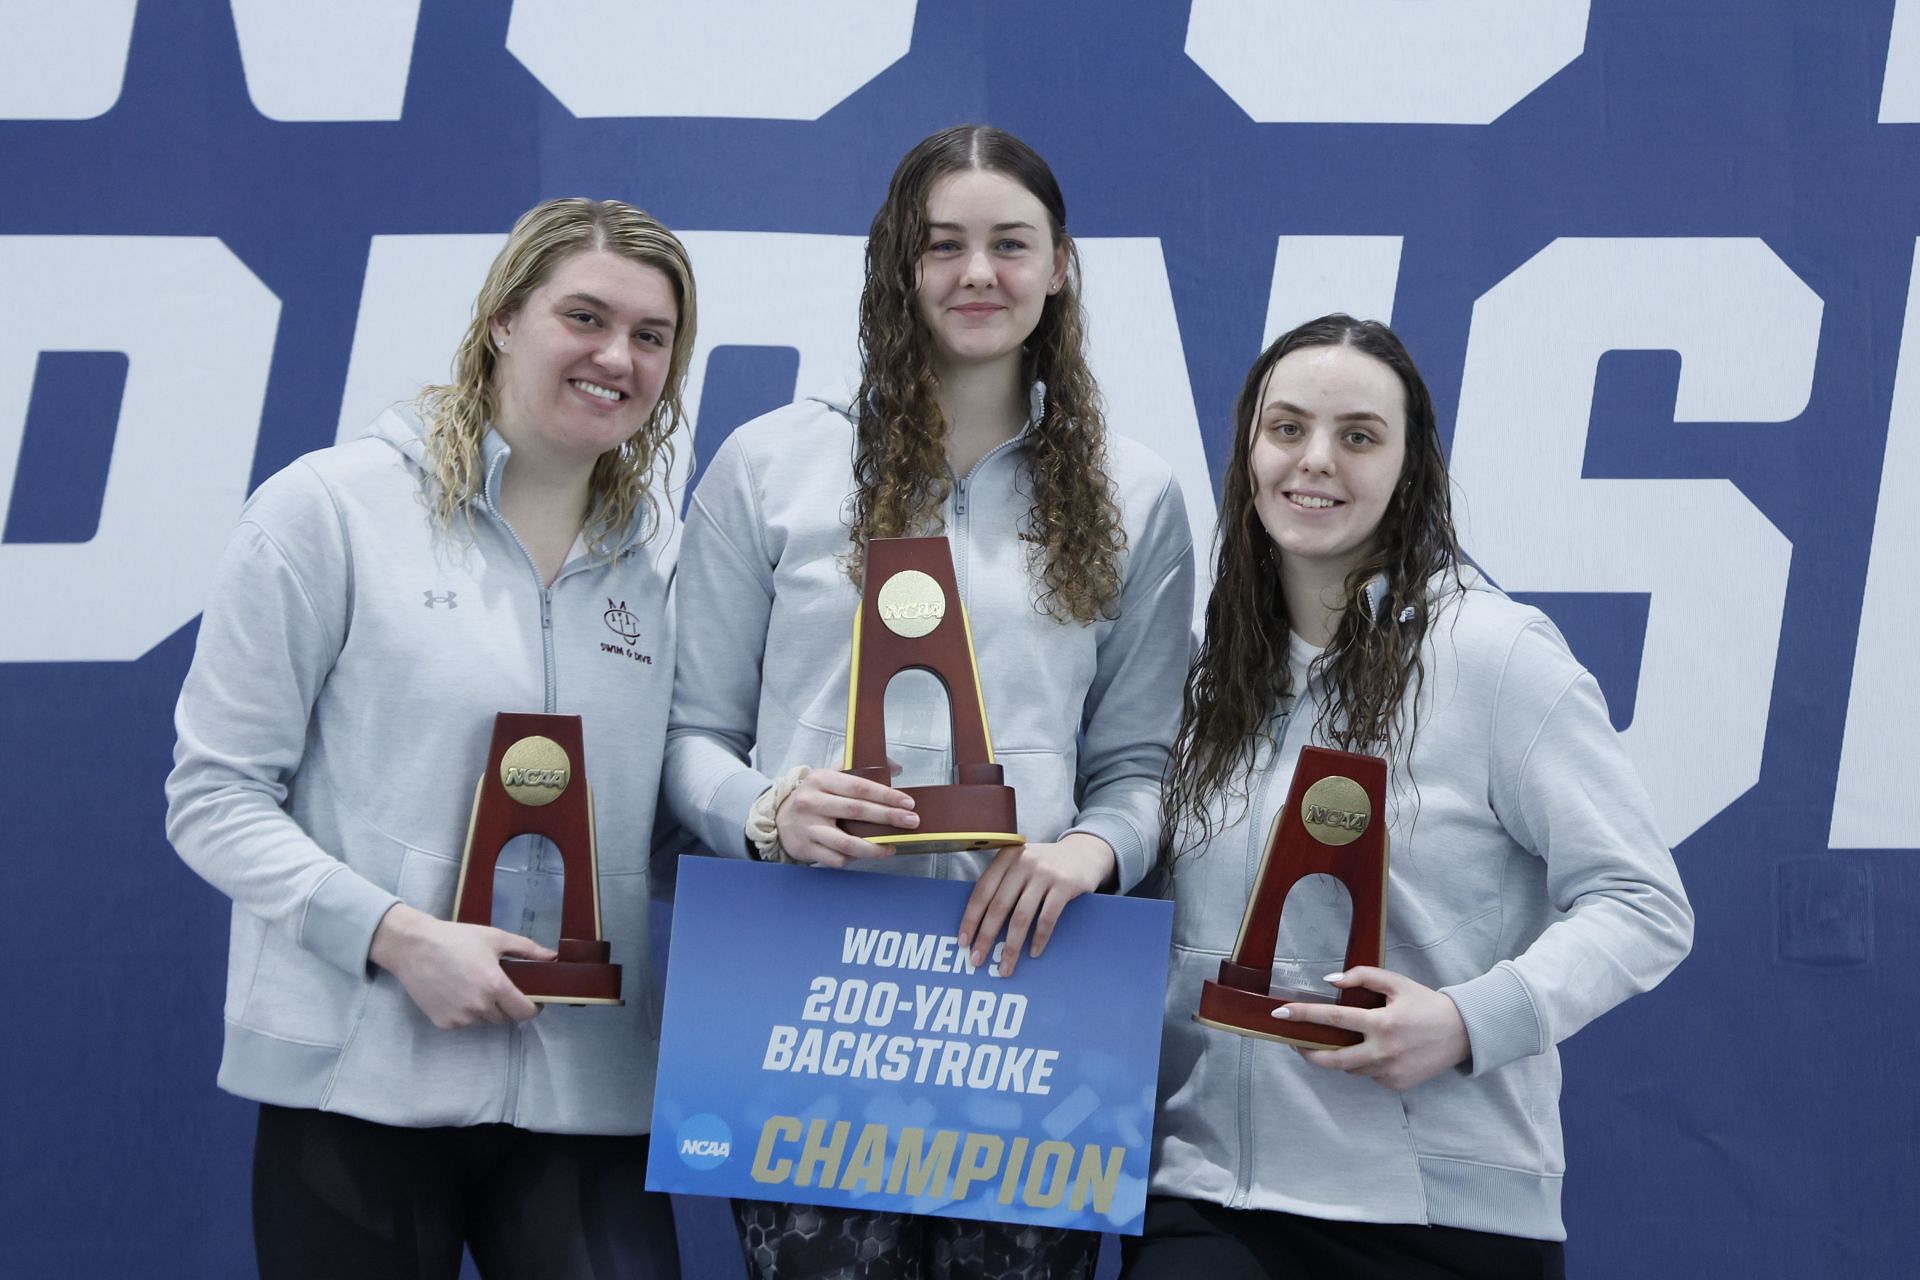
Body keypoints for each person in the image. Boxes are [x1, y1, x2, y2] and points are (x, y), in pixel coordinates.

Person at [665, 124, 1195, 1279]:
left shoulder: (1137, 495)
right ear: (897, 266)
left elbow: (1146, 766)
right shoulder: (770, 466)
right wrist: (766, 813)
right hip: (811, 995)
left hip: (1028, 1004)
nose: (977, 274)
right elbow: (685, 737)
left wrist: (1092, 851)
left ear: (1061, 266)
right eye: (942, 245)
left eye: (1011, 244)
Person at [165, 197, 696, 1279]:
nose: (617, 357)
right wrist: (399, 935)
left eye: (652, 336)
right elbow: (213, 796)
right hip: (359, 1077)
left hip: (588, 1094)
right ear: (503, 317)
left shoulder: (669, 561)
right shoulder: (329, 510)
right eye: (584, 316)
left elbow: (670, 822)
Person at [1125, 316, 1693, 1280]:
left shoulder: (1496, 659)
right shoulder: (1201, 683)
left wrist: (1470, 1021)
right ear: (1248, 453)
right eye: (1287, 428)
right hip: (1212, 1200)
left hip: (1440, 1220)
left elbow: (1643, 906)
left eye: (1357, 435)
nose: (1315, 462)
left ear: (1408, 466)